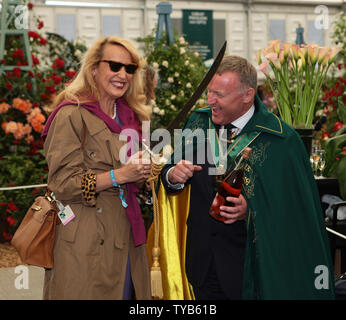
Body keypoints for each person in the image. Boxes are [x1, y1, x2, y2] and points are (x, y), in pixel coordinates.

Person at [159, 55, 335, 299]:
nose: (211, 101)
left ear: (247, 95)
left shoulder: (282, 140)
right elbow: (168, 170)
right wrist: (172, 176)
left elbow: (295, 212)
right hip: (201, 263)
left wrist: (250, 210)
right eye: (210, 93)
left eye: (219, 95)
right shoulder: (199, 122)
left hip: (253, 271)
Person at [42, 36, 152, 300]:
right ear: (93, 69)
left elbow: (139, 183)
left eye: (130, 68)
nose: (122, 74)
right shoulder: (71, 114)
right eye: (114, 66)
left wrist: (146, 174)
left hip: (126, 239)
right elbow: (63, 184)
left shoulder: (132, 117)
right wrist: (119, 175)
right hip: (83, 241)